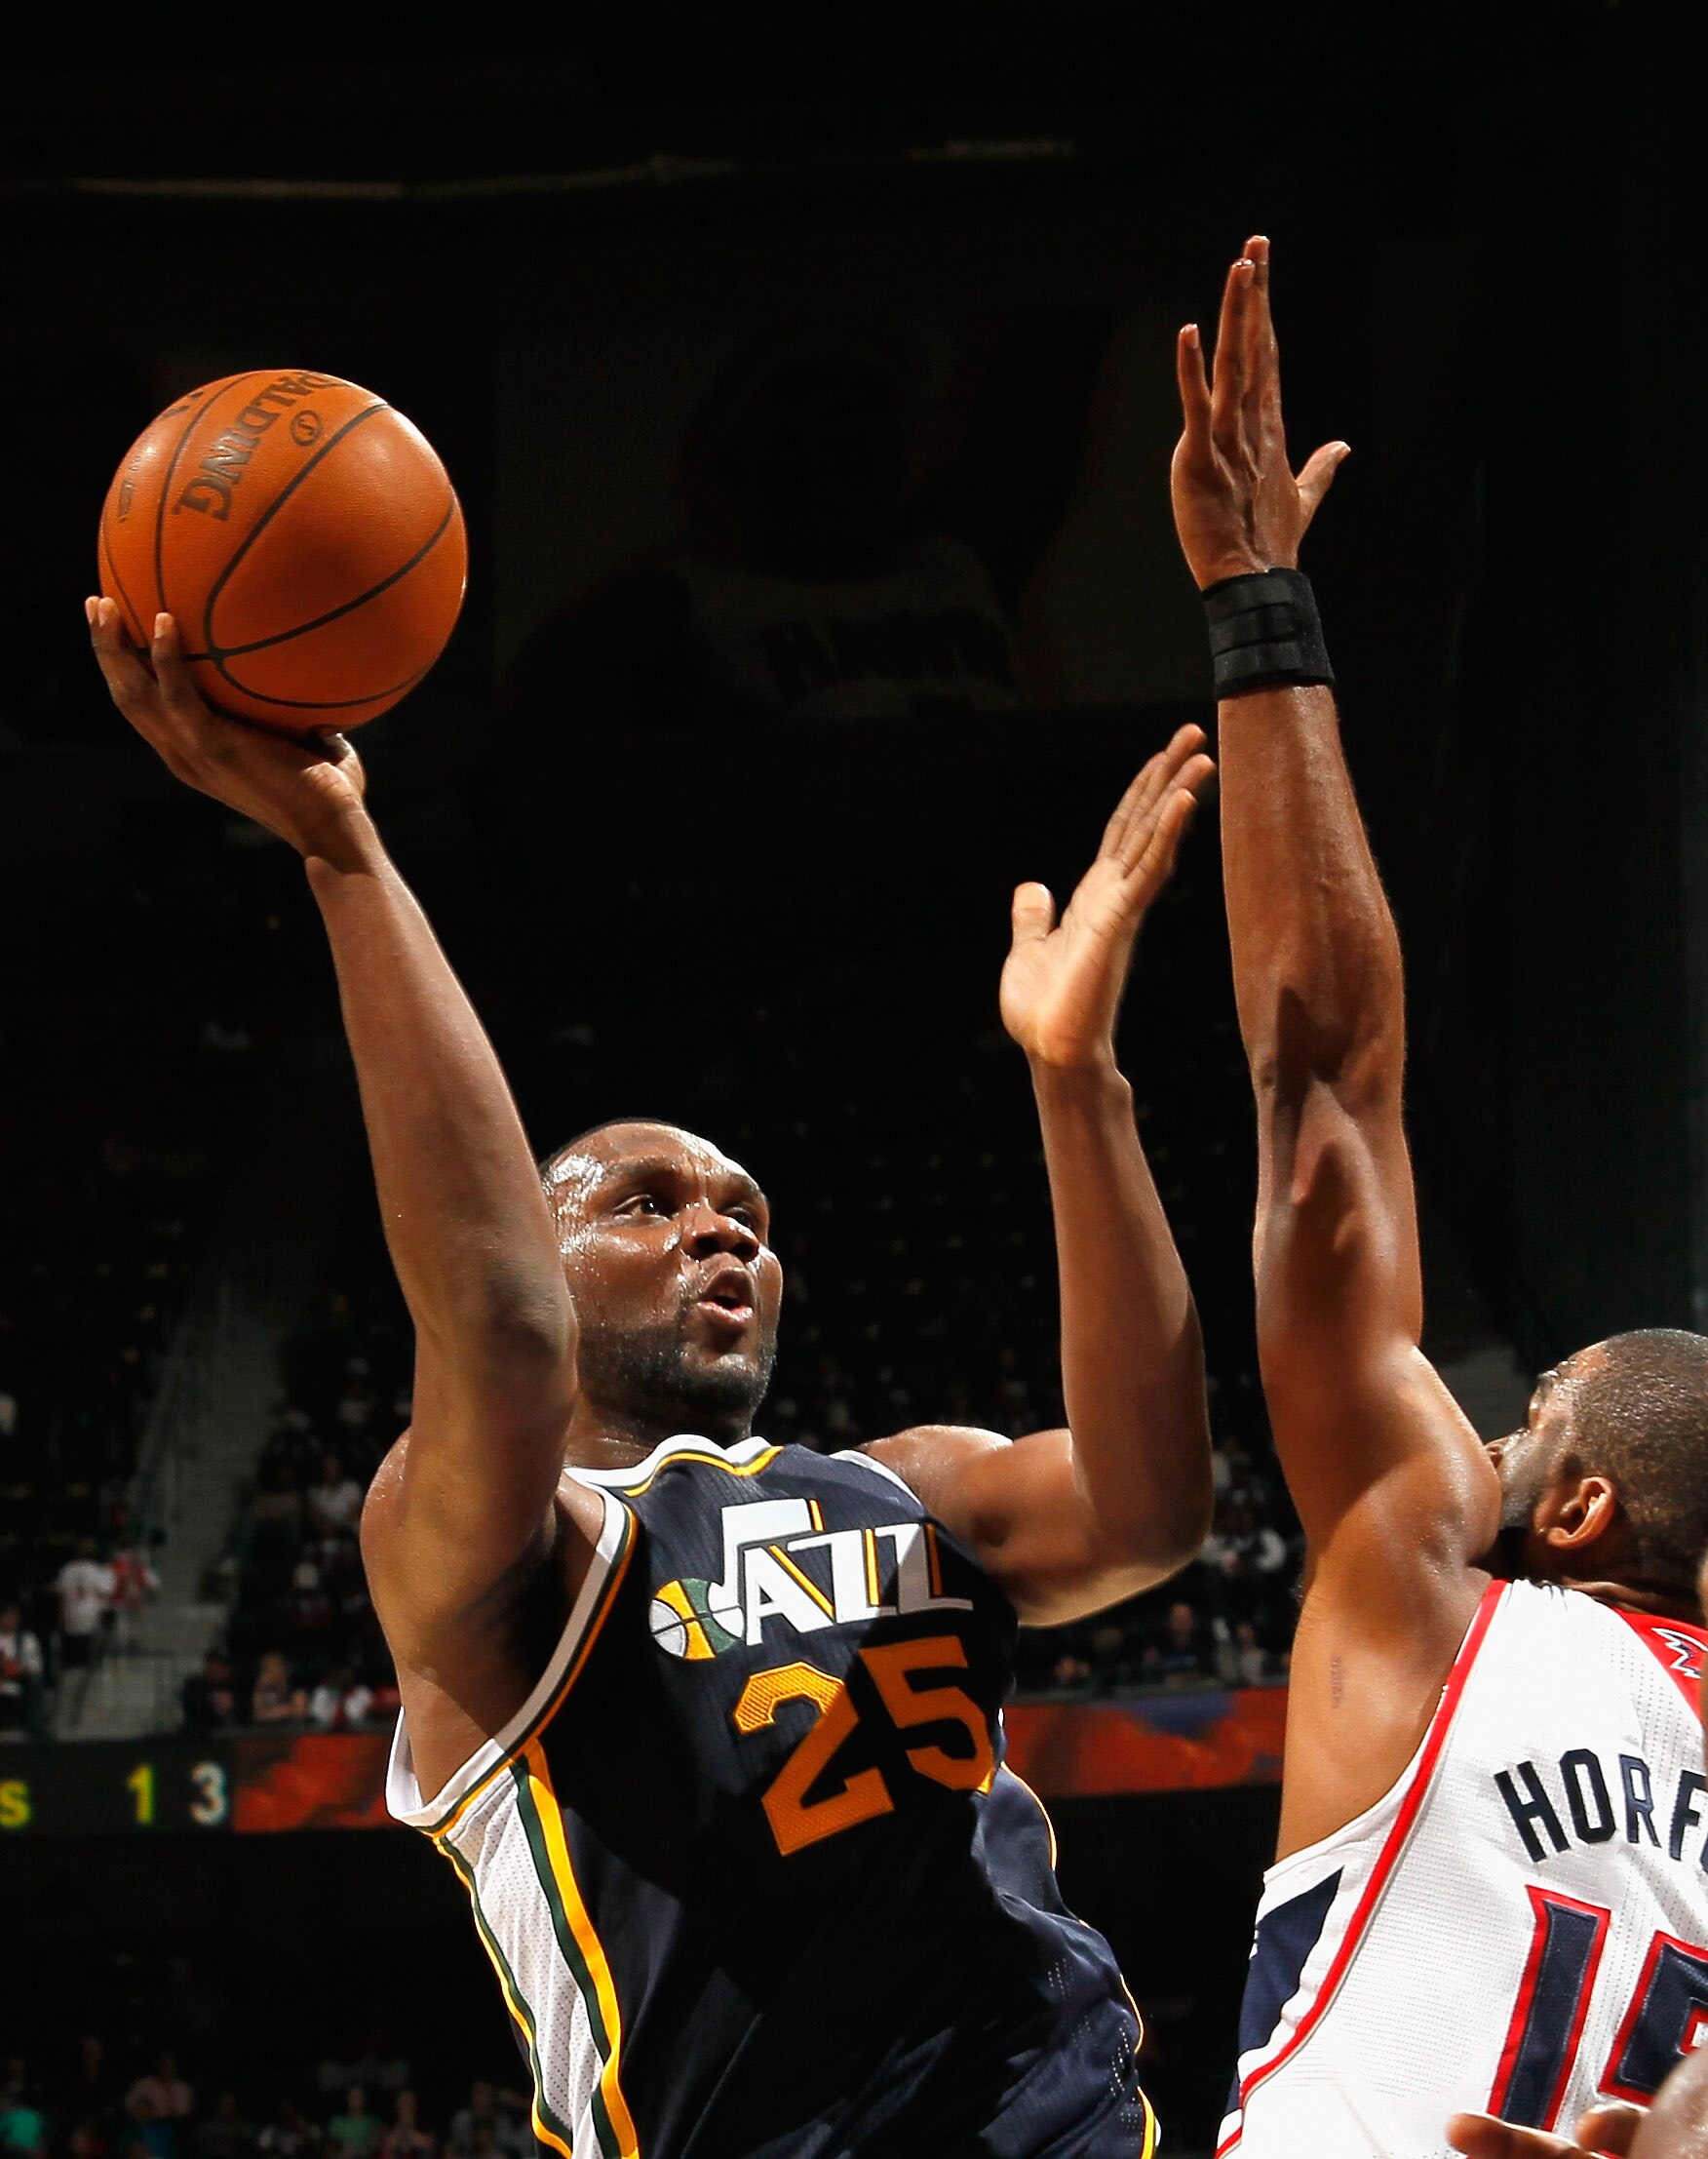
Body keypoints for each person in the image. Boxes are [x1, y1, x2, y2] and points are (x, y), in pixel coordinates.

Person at [91, 593, 1216, 2158]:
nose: (719, 1232)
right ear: (543, 1256)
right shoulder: (486, 1544)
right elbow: (492, 1329)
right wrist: (343, 852)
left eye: (748, 1215)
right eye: (648, 1204)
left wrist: (1076, 1083)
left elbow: (1157, 1505)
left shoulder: (910, 1484)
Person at [1173, 237, 1708, 2156]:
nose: (1472, 1425)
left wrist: (1257, 615)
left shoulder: (1432, 1580)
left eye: (1523, 1413)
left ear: (1573, 1502)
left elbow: (1329, 1085)